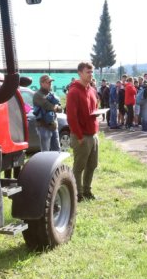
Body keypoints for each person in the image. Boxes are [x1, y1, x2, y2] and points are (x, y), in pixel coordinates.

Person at [66, 62, 100, 201]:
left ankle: (87, 191)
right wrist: (79, 136)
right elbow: (71, 116)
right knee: (79, 166)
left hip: (93, 134)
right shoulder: (74, 91)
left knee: (92, 165)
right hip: (82, 136)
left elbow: (93, 107)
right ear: (80, 73)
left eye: (92, 72)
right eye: (88, 72)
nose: (91, 75)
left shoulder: (91, 89)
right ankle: (77, 194)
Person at [33, 74, 63, 152]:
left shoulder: (51, 94)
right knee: (45, 152)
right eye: (48, 82)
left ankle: (56, 164)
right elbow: (49, 106)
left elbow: (60, 108)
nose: (50, 84)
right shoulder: (38, 95)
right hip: (43, 127)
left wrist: (57, 107)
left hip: (53, 126)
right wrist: (56, 106)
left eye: (51, 82)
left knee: (57, 150)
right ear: (42, 83)